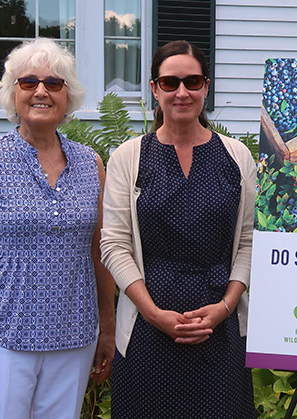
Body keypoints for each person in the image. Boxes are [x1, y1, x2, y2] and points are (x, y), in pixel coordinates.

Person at [0, 38, 116, 418]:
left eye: (53, 83)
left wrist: (108, 328)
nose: (41, 91)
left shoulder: (91, 164)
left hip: (73, 340)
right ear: (14, 93)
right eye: (28, 82)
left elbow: (99, 255)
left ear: (67, 96)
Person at [100, 40, 256, 418]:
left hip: (219, 331)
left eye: (192, 81)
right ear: (155, 89)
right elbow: (114, 244)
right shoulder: (129, 157)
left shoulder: (236, 157)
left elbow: (250, 242)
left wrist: (225, 307)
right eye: (170, 83)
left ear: (206, 87)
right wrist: (154, 313)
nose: (182, 92)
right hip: (146, 330)